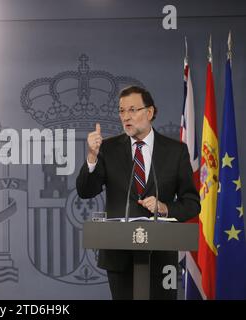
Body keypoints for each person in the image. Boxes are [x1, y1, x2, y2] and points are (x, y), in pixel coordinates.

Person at [76, 86, 200, 300]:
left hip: (161, 255)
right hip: (119, 257)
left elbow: (192, 203)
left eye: (132, 110)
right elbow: (86, 191)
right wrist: (92, 156)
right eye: (122, 111)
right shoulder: (108, 148)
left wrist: (164, 207)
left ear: (149, 112)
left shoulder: (175, 151)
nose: (126, 117)